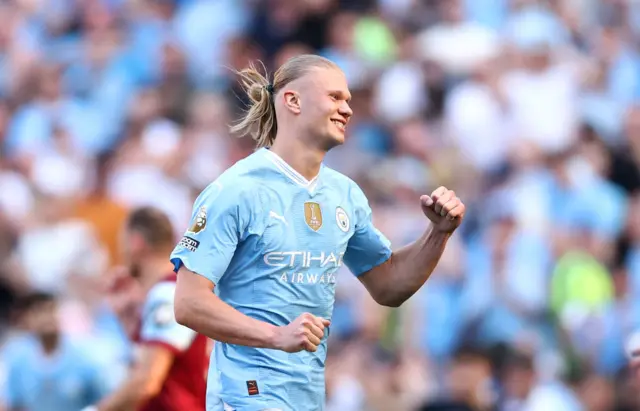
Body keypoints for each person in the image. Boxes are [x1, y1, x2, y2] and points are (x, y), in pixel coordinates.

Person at [170, 54, 466, 411]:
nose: (347, 109)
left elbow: (389, 286)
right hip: (246, 396)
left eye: (349, 100)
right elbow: (188, 303)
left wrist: (438, 234)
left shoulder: (344, 194)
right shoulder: (236, 190)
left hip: (308, 397)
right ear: (292, 100)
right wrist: (276, 336)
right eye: (335, 97)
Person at [83, 207, 208, 411]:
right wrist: (127, 318)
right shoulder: (174, 290)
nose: (120, 252)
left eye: (121, 242)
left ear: (136, 243)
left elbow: (147, 382)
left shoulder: (168, 293)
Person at [1, 292, 108, 411]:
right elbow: (13, 404)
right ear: (27, 318)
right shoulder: (18, 361)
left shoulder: (84, 359)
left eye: (50, 309)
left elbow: (103, 401)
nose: (46, 317)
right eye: (39, 312)